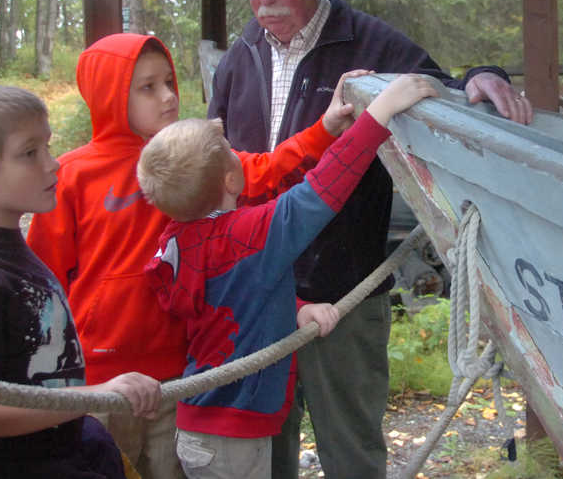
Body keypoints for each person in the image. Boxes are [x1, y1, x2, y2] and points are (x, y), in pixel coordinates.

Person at [207, 0, 534, 479]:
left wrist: (486, 74)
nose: (264, 1)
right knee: (264, 453)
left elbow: (442, 88)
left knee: (352, 453)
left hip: (345, 293)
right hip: (259, 293)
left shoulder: (371, 44)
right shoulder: (242, 55)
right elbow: (219, 162)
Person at [26, 33, 361, 479]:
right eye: (147, 87)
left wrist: (324, 131)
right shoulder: (72, 175)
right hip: (101, 380)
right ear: (109, 95)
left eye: (169, 81)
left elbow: (260, 169)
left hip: (181, 376)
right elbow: (44, 283)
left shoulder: (189, 157)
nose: (168, 97)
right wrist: (51, 383)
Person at [140, 73, 438, 479]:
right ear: (231, 179)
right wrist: (380, 112)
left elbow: (231, 298)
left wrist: (296, 309)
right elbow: (322, 189)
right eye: (233, 152)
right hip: (234, 440)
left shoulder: (179, 241)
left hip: (198, 425)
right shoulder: (247, 235)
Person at [0, 84, 162, 478]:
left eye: (47, 147)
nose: (53, 164)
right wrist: (91, 397)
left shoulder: (7, 247)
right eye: (30, 153)